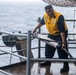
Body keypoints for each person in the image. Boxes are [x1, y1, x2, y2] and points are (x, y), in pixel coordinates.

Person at [33, 5, 69, 73]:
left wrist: (63, 43)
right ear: (46, 12)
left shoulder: (59, 16)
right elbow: (41, 23)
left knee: (62, 49)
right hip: (51, 34)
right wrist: (35, 29)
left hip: (60, 34)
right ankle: (48, 61)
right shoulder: (45, 16)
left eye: (51, 11)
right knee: (48, 48)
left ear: (53, 9)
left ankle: (66, 65)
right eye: (48, 12)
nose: (50, 13)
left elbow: (62, 32)